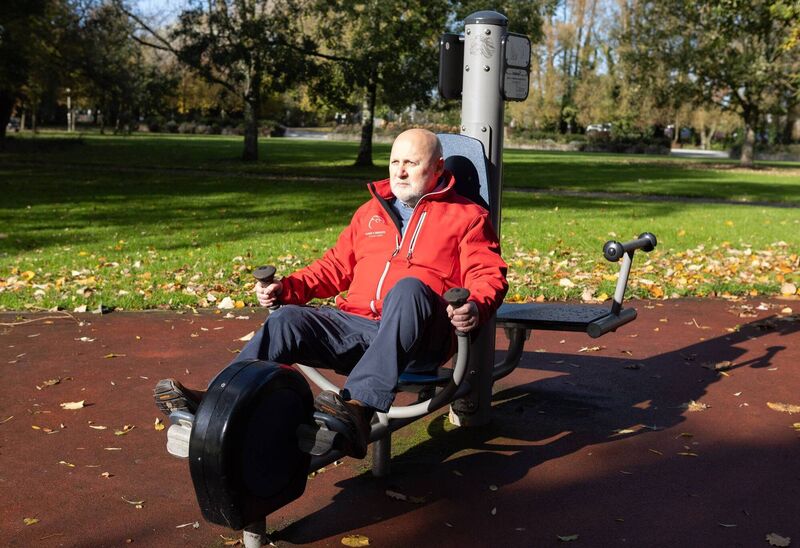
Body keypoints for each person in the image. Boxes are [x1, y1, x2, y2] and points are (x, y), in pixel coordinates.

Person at [154, 128, 508, 458]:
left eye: (411, 163)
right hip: (358, 327)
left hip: (419, 337)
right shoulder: (371, 213)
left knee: (409, 288)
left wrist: (475, 306)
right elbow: (335, 267)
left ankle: (358, 409)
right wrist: (286, 288)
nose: (399, 172)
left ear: (437, 167)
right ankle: (216, 402)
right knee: (288, 319)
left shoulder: (467, 216)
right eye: (395, 162)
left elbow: (488, 274)